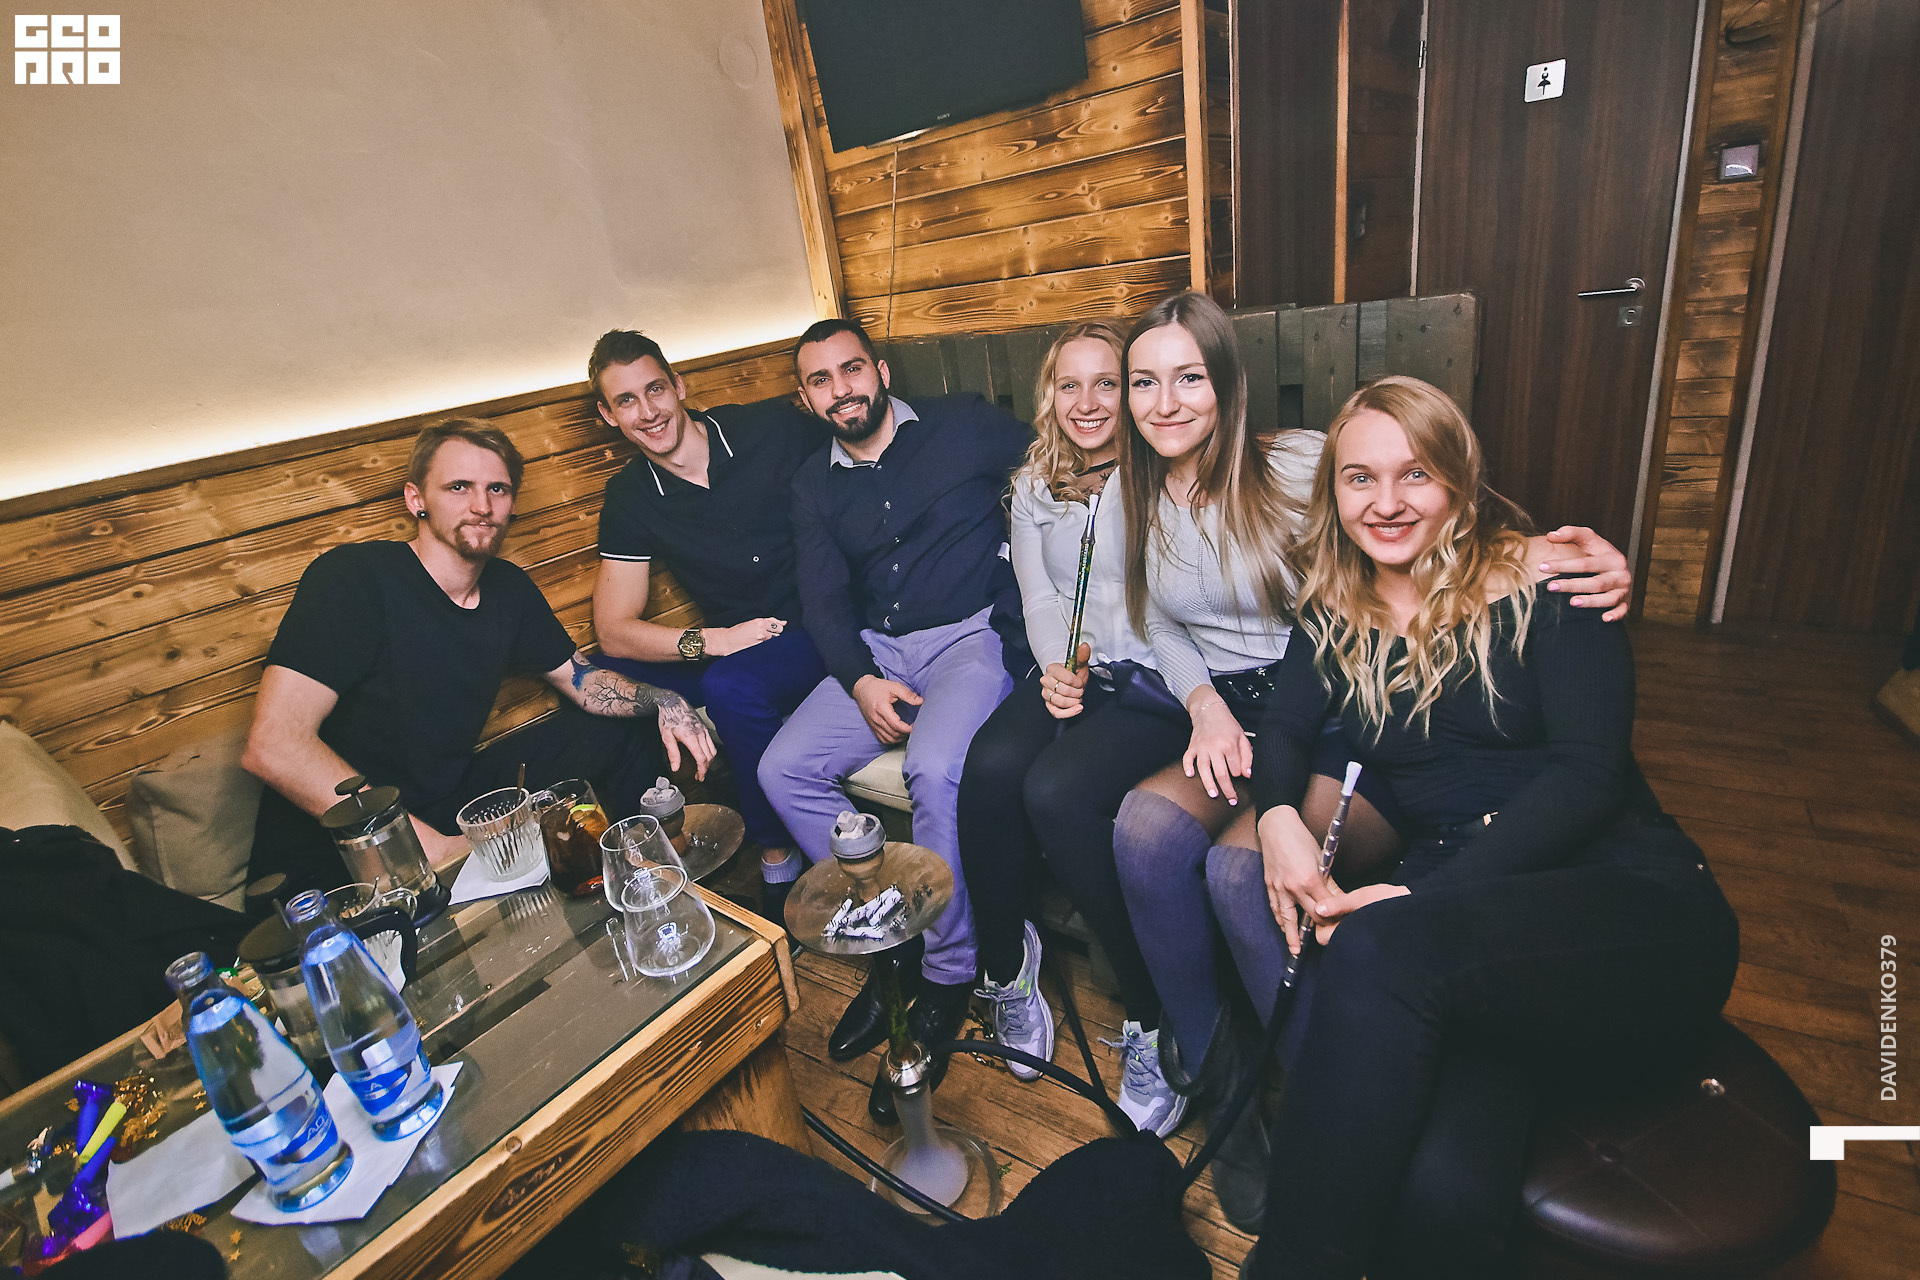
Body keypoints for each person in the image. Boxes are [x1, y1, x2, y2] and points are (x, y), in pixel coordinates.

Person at [1107, 291, 1635, 1225]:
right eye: (1144, 382)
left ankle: (1337, 1109)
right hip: (1280, 697)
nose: (1166, 401)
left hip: (1364, 717)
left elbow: (1433, 502)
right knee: (1143, 830)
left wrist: (1561, 554)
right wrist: (1207, 711)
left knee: (1238, 870)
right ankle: (1226, 1092)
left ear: (1227, 383)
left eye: (1189, 376)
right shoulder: (1137, 494)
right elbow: (1164, 621)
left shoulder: (1307, 460)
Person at [1208, 376, 1739, 1278]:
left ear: (1458, 478)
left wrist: (1419, 898)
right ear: (1333, 493)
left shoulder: (1552, 578)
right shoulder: (1336, 606)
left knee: (1375, 946)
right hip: (1464, 935)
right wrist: (1279, 822)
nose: (1386, 502)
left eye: (1415, 473)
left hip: (1624, 896)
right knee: (1438, 1193)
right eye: (1360, 478)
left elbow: (1588, 779)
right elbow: (1288, 728)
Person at [244, 418, 715, 895]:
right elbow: (274, 745)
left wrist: (663, 700)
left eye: (497, 489)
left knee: (623, 726)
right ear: (416, 499)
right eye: (459, 487)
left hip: (448, 798)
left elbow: (581, 679)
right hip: (337, 848)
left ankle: (653, 881)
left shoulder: (506, 588)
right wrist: (428, 848)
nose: (482, 506)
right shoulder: (354, 579)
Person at [758, 317, 1030, 1120]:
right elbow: (823, 600)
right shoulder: (812, 485)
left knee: (934, 769)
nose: (840, 389)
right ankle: (894, 938)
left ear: (879, 371)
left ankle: (948, 972)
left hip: (971, 636)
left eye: (851, 370)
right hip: (881, 651)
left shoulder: (961, 424)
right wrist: (862, 682)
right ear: (806, 399)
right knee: (782, 768)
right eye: (820, 380)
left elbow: (1053, 459)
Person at [954, 321, 1192, 1128]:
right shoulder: (1034, 484)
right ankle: (1006, 964)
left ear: (1132, 392)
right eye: (1069, 385)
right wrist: (1063, 669)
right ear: (1049, 396)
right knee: (991, 766)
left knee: (1057, 790)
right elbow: (1041, 596)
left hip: (1159, 681)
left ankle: (1152, 1015)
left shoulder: (1165, 471)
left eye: (1107, 383)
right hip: (1076, 668)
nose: (1087, 402)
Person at [586, 330, 830, 917]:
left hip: (814, 623)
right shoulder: (630, 496)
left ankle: (778, 853)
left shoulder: (766, 428)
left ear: (679, 386)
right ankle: (649, 865)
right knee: (601, 675)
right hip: (735, 639)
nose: (648, 412)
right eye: (626, 401)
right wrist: (710, 644)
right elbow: (613, 629)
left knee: (729, 685)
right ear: (608, 415)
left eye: (654, 389)